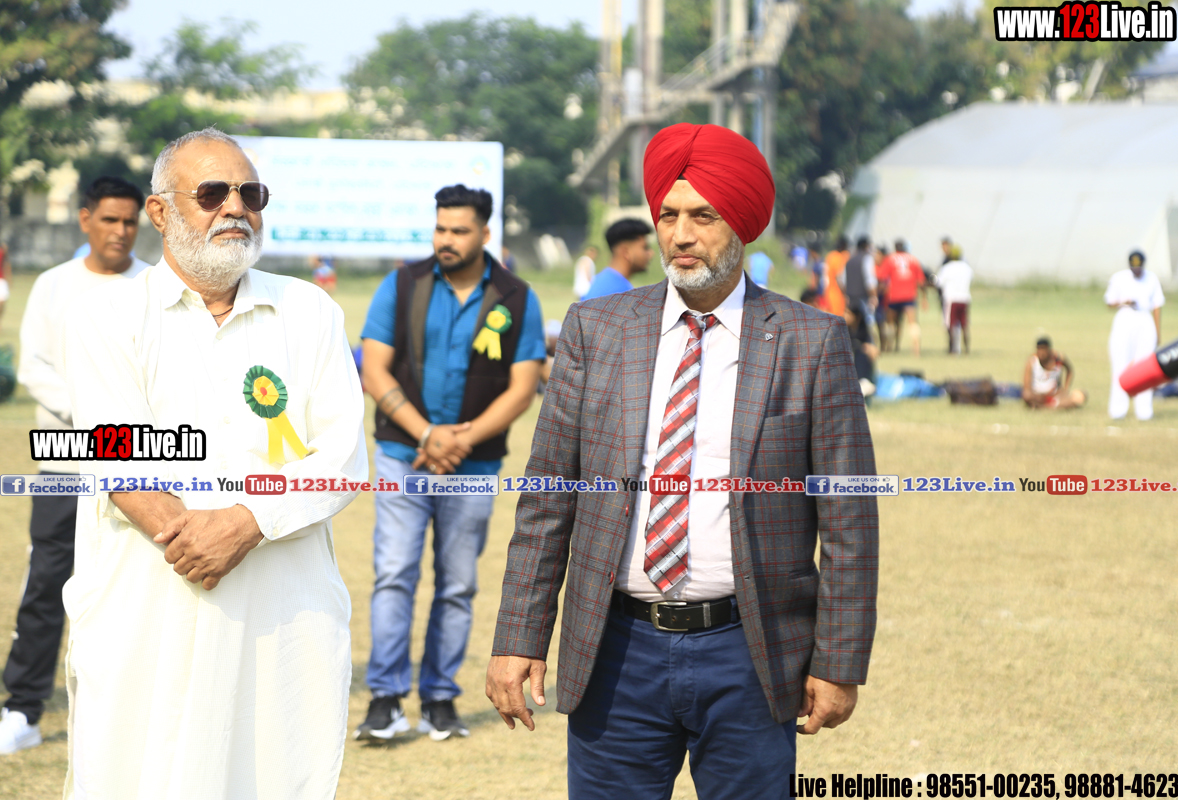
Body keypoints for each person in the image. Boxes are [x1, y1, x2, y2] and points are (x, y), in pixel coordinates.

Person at [486, 123, 879, 799]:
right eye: (668, 216)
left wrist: (838, 660)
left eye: (703, 216)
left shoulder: (811, 342)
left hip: (751, 652)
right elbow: (548, 498)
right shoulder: (597, 329)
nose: (681, 235)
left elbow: (848, 520)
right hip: (616, 652)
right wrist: (518, 635)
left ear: (743, 224)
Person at [59, 128, 368, 798]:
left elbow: (343, 456)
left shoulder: (308, 310)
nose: (235, 208)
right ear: (160, 211)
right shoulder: (106, 314)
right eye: (212, 193)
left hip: (281, 616)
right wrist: (196, 539)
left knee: (271, 775)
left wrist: (247, 520)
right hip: (152, 610)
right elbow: (118, 460)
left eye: (250, 194)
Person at [357, 184, 545, 743]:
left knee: (458, 585)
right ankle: (386, 699)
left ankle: (440, 699)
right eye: (440, 228)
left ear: (485, 234)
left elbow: (523, 387)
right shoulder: (402, 284)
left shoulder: (516, 296)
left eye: (459, 231)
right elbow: (374, 369)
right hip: (402, 458)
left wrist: (459, 440)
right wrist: (427, 434)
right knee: (394, 576)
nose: (446, 239)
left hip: (475, 467)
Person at [1, 177, 152, 756]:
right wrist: (94, 415)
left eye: (130, 221)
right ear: (85, 219)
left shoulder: (155, 286)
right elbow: (34, 369)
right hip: (65, 458)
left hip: (139, 461)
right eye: (110, 220)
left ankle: (127, 713)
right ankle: (23, 709)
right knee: (47, 581)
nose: (120, 231)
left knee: (133, 588)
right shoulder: (54, 285)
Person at [1105, 249, 1163, 421]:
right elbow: (1109, 302)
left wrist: (1157, 332)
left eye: (1138, 267)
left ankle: (1144, 411)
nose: (1136, 270)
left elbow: (1157, 305)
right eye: (1133, 267)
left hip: (1144, 319)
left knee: (1144, 367)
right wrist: (1124, 302)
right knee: (1120, 363)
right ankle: (1118, 410)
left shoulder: (1152, 278)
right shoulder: (1119, 278)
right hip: (1125, 317)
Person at [581, 218, 654, 301]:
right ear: (626, 252)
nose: (651, 253)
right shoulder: (620, 293)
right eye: (645, 248)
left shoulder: (601, 282)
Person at [876, 239, 926, 356]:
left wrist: (879, 293)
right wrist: (924, 297)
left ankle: (889, 347)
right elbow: (921, 281)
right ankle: (916, 348)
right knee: (912, 323)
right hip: (909, 296)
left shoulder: (890, 259)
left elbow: (882, 278)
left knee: (890, 323)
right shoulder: (913, 259)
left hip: (893, 296)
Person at [1022, 336, 1086, 410]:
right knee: (1027, 395)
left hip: (1055, 395)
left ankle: (1045, 407)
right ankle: (1052, 407)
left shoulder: (1058, 358)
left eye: (1044, 349)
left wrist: (1066, 389)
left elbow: (1069, 370)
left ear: (1049, 349)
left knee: (1081, 396)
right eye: (1039, 349)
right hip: (1038, 396)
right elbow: (1026, 386)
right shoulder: (1032, 361)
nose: (1041, 353)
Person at [936, 246, 972, 354]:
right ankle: (966, 349)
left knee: (951, 324)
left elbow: (939, 282)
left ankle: (953, 349)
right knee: (964, 325)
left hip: (951, 299)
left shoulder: (947, 268)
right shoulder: (967, 268)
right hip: (965, 299)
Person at [841, 235, 876, 343]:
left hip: (851, 296)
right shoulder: (867, 258)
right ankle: (868, 344)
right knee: (867, 322)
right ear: (866, 246)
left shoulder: (849, 260)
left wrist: (846, 294)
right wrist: (873, 296)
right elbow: (869, 280)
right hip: (863, 296)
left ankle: (852, 343)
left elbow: (841, 280)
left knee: (852, 324)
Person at [819, 235, 849, 315]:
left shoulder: (830, 255)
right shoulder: (840, 257)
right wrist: (845, 293)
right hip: (838, 293)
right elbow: (839, 278)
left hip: (829, 292)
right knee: (839, 316)